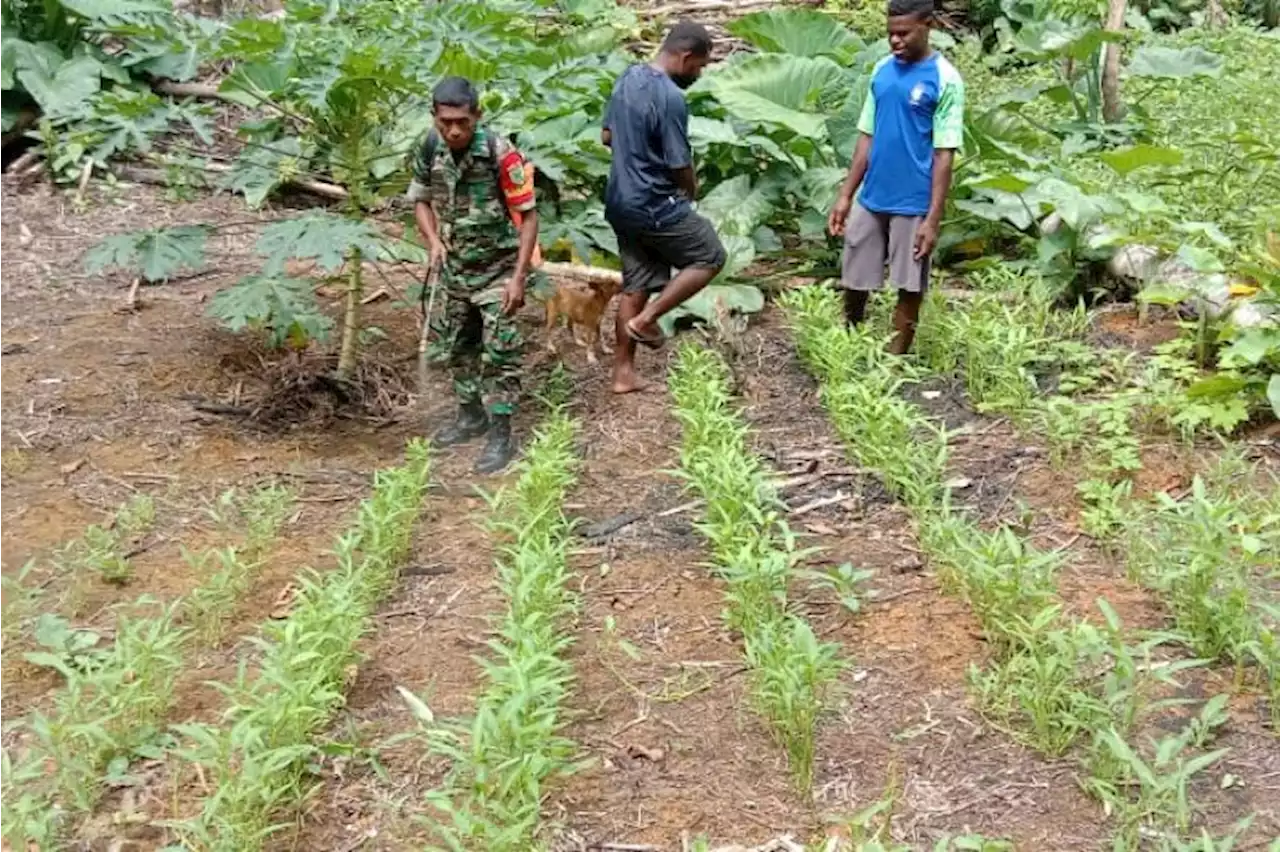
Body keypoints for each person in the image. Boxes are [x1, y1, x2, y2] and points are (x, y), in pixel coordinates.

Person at [408, 76, 542, 474]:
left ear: (477, 116)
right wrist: (433, 240)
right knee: (458, 347)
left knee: (500, 352)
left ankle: (501, 432)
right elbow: (421, 200)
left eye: (462, 122)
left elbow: (530, 216)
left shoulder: (501, 154)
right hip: (455, 271)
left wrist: (518, 277)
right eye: (445, 121)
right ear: (434, 116)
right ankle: (470, 416)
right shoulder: (429, 147)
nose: (453, 130)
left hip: (498, 271)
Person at [827, 0, 964, 354]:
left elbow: (943, 153)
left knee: (909, 284)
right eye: (890, 34)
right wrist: (846, 195)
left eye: (903, 33)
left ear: (928, 25)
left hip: (914, 201)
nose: (895, 41)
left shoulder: (945, 78)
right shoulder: (882, 70)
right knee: (855, 276)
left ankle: (895, 362)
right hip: (872, 197)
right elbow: (866, 136)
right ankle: (849, 343)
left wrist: (932, 218)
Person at [601, 21, 727, 394]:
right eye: (700, 66)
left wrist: (634, 151)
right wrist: (690, 190)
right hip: (653, 201)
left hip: (620, 200)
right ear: (686, 57)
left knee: (636, 283)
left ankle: (623, 373)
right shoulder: (671, 96)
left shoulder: (627, 78)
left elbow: (607, 135)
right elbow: (678, 161)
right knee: (709, 254)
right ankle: (649, 319)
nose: (698, 74)